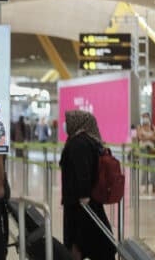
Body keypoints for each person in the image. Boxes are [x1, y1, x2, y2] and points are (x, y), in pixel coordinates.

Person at [59, 110, 116, 260]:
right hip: (88, 200)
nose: (66, 124)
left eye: (69, 120)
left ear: (78, 122)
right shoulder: (90, 140)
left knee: (77, 242)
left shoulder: (78, 143)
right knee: (92, 240)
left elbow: (82, 171)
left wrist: (84, 195)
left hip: (80, 202)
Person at [137, 112, 155, 193]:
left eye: (146, 117)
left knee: (153, 168)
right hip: (143, 149)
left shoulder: (153, 127)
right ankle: (145, 187)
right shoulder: (139, 127)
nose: (145, 118)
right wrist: (150, 137)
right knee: (144, 169)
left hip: (152, 150)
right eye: (143, 117)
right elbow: (140, 137)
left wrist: (146, 137)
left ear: (149, 118)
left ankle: (153, 186)